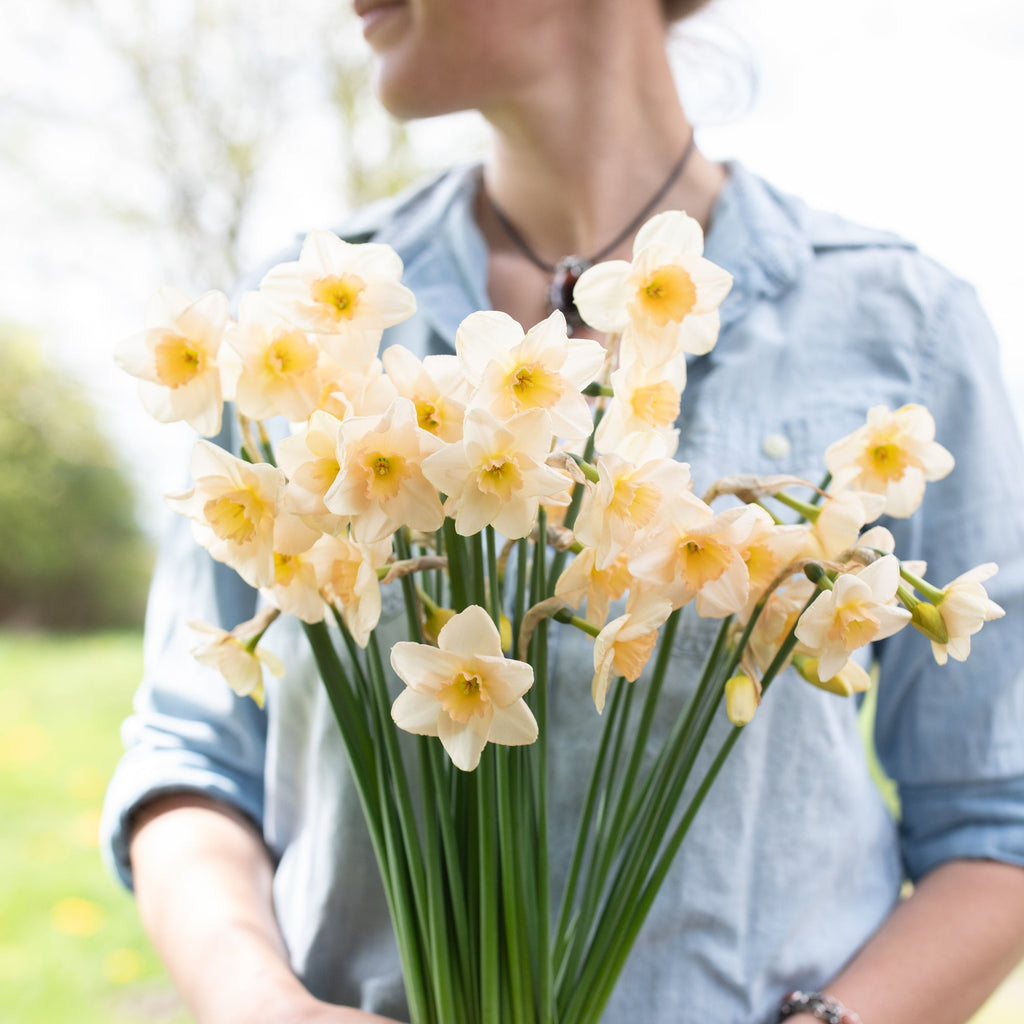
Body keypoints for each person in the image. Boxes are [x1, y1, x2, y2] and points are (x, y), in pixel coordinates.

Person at [101, 1, 1024, 1022]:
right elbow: (191, 758)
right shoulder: (304, 325)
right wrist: (260, 1005)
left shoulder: (902, 327)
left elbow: (998, 815)